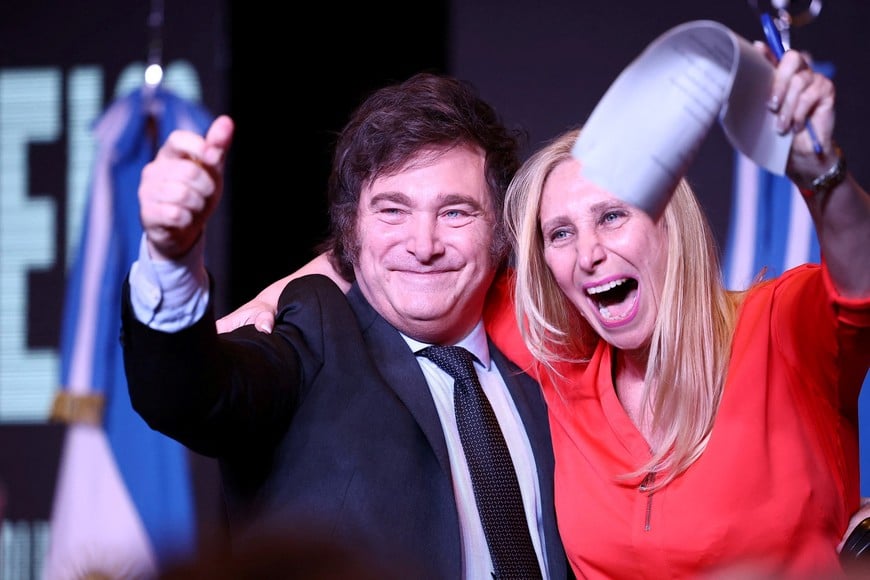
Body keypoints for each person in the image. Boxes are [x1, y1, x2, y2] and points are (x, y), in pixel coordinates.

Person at [218, 46, 870, 577]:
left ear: (671, 225)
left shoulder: (783, 328)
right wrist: (271, 298)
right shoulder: (557, 359)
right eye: (559, 234)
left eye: (612, 216)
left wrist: (822, 175)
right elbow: (412, 261)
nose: (587, 253)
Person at [121, 72, 570, 579]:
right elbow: (189, 396)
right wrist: (171, 256)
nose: (423, 245)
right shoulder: (313, 332)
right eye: (393, 210)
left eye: (455, 213)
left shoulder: (547, 369)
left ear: (501, 232)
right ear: (351, 230)